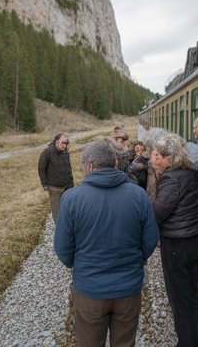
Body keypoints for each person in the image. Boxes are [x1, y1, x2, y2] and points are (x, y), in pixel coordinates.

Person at [54, 139, 159, 347]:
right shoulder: (138, 195)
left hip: (90, 290)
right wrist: (135, 262)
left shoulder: (71, 199)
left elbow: (63, 249)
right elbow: (150, 241)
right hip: (129, 289)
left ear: (90, 165)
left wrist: (80, 266)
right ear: (116, 165)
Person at [149, 132, 198, 347]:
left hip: (177, 245)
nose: (154, 160)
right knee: (194, 294)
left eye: (158, 156)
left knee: (180, 298)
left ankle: (186, 342)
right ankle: (195, 341)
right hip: (196, 240)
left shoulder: (171, 178)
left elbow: (158, 213)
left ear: (169, 158)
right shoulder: (192, 173)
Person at [38, 132, 75, 222]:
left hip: (67, 186)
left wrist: (71, 183)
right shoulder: (47, 152)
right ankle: (59, 230)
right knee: (57, 211)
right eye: (62, 143)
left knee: (68, 208)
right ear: (56, 141)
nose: (64, 146)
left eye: (66, 143)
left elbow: (68, 168)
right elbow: (41, 168)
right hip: (54, 188)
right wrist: (44, 183)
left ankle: (69, 225)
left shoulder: (65, 153)